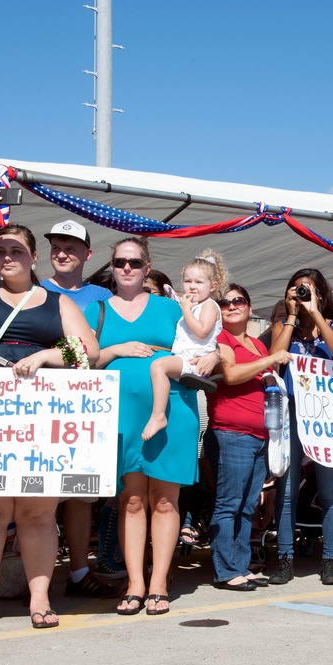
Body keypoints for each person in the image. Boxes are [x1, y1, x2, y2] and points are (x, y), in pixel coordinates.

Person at [0, 184, 99, 633]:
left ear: (33, 258)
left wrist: (49, 356)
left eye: (17, 250)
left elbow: (88, 352)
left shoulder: (59, 302)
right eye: (0, 249)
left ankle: (40, 598)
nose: (7, 256)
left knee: (36, 514)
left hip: (38, 421)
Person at [84, 237, 213, 617]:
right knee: (132, 499)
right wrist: (114, 351)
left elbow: (204, 338)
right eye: (120, 262)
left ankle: (159, 582)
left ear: (147, 266)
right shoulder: (97, 310)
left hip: (172, 411)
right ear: (111, 265)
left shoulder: (171, 306)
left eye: (135, 263)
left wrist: (217, 355)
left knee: (164, 500)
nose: (127, 268)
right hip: (118, 415)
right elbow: (82, 361)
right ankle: (135, 583)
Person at [40, 219, 118, 600]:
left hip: (82, 406)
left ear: (88, 254)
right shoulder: (32, 292)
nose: (63, 251)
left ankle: (78, 573)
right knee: (34, 495)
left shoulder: (104, 297)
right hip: (36, 404)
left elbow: (101, 351)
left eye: (71, 246)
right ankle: (31, 577)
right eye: (57, 245)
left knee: (78, 493)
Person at [205, 284, 291, 589]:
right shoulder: (219, 340)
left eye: (237, 300)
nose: (231, 305)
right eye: (224, 302)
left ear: (249, 307)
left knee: (247, 505)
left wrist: (290, 315)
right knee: (229, 504)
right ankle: (226, 571)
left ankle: (240, 565)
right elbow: (230, 375)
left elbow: (276, 353)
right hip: (231, 433)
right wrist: (269, 360)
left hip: (258, 435)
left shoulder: (257, 343)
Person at [268, 268, 333, 584]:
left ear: (321, 294)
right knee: (285, 490)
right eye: (297, 290)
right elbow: (275, 359)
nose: (302, 295)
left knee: (329, 490)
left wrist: (314, 313)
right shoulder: (282, 326)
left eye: (308, 290)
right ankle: (285, 559)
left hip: (325, 415)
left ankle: (329, 560)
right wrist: (291, 317)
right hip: (291, 413)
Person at [141, 251, 227, 442]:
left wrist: (186, 311)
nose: (192, 286)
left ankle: (158, 416)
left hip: (194, 359)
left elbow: (202, 331)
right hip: (185, 357)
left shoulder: (209, 306)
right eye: (188, 281)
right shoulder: (190, 305)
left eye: (199, 282)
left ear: (212, 286)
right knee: (158, 367)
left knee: (158, 366)